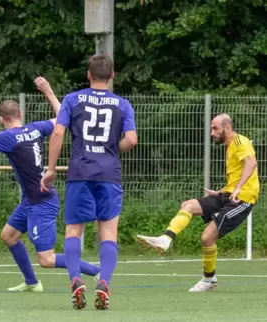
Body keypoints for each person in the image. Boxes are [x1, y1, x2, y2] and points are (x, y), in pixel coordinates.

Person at [0, 77, 101, 293]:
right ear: (20, 115)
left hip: (42, 202)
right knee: (8, 236)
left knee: (47, 259)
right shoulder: (36, 128)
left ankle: (95, 270)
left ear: (1, 119)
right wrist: (49, 92)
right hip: (31, 200)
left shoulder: (7, 137)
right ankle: (32, 283)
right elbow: (62, 118)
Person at [40, 54, 138, 310]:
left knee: (74, 230)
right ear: (113, 76)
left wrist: (50, 169)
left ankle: (75, 279)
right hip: (109, 174)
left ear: (88, 75)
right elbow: (132, 140)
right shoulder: (123, 104)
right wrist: (111, 149)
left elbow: (59, 131)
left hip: (80, 173)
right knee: (108, 234)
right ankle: (104, 281)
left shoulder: (73, 99)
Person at [136, 114, 260, 292]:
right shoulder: (230, 146)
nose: (212, 133)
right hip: (228, 194)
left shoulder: (240, 141)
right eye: (211, 128)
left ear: (228, 128)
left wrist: (239, 188)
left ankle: (209, 280)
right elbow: (238, 174)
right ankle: (165, 239)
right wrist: (221, 191)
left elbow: (251, 163)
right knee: (188, 205)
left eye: (215, 128)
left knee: (207, 237)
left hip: (243, 199)